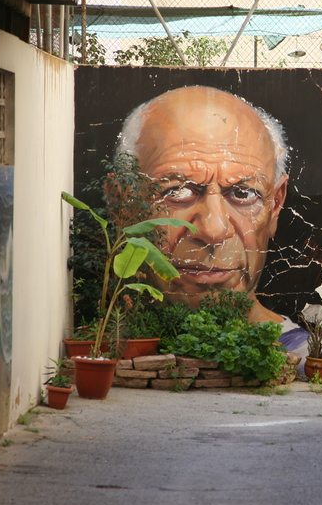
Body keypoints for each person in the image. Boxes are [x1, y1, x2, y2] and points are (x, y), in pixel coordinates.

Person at [116, 85, 309, 358]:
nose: (214, 229)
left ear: (275, 204)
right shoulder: (111, 344)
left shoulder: (304, 356)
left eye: (243, 194)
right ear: (122, 205)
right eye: (177, 192)